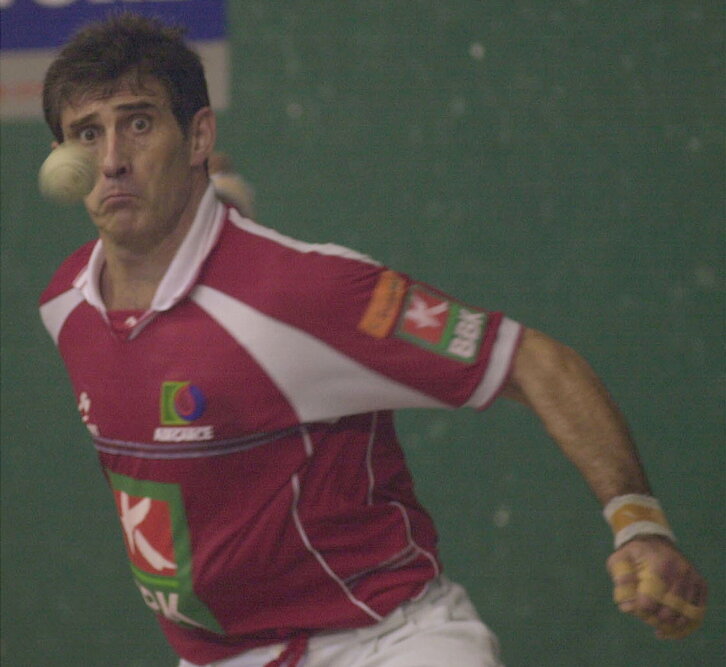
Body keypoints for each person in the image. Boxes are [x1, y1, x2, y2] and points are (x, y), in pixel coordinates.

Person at [38, 13, 707, 667]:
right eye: (87, 134)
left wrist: (639, 524)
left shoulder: (305, 293)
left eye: (140, 124)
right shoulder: (67, 304)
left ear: (198, 137)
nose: (113, 160)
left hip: (386, 642)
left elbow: (533, 361)